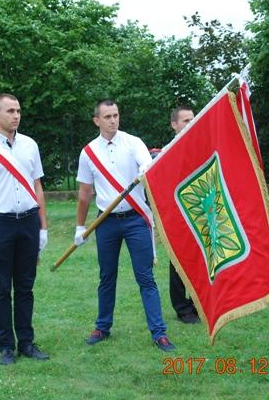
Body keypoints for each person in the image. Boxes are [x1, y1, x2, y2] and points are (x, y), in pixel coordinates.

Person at [74, 99, 175, 352]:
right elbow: (85, 192)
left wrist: (145, 168)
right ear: (97, 120)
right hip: (105, 222)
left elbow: (146, 162)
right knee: (106, 276)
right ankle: (102, 327)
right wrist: (79, 227)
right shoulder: (88, 153)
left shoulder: (133, 142)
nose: (113, 120)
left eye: (116, 115)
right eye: (107, 117)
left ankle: (159, 333)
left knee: (145, 278)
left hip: (135, 219)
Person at [0, 93, 50, 365]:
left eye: (18, 110)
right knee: (2, 287)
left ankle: (26, 342)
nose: (16, 115)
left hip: (27, 221)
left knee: (25, 287)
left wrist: (43, 226)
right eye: (10, 111)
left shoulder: (30, 145)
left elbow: (37, 187)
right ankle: (6, 347)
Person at [168, 105, 200, 324]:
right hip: (177, 215)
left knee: (201, 260)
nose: (191, 123)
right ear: (175, 125)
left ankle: (200, 303)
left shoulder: (201, 147)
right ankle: (182, 308)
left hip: (200, 210)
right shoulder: (167, 153)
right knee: (179, 260)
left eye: (193, 119)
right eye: (186, 120)